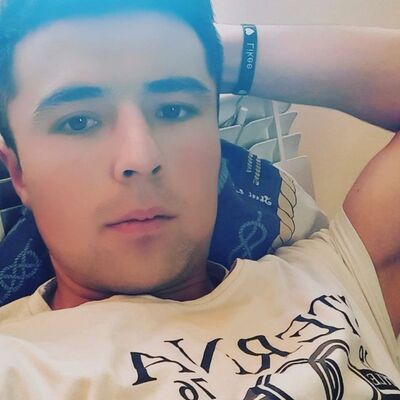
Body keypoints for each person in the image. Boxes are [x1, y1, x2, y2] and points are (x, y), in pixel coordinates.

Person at [0, 0, 399, 398]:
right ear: (18, 172)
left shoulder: (338, 279)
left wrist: (210, 52)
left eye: (174, 109)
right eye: (79, 122)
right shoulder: (15, 365)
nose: (141, 158)